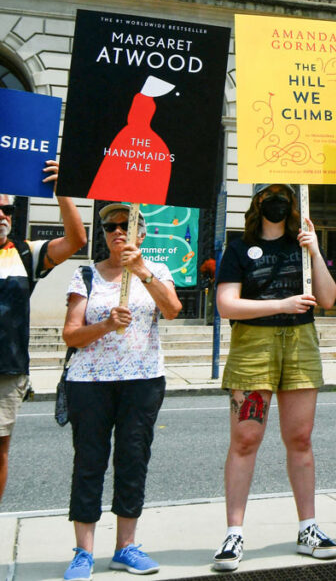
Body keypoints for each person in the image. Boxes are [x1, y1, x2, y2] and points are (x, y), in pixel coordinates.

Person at [213, 184, 336, 571]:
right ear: (257, 203)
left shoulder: (302, 245)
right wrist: (280, 304)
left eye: (284, 196)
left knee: (300, 438)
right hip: (254, 346)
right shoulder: (238, 249)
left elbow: (330, 298)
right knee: (246, 439)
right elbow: (225, 304)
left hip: (300, 342)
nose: (277, 202)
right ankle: (234, 532)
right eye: (269, 196)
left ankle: (308, 527)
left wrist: (315, 249)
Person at [61, 204, 181, 579]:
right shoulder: (85, 275)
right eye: (111, 226)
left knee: (133, 458)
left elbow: (173, 309)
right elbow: (70, 334)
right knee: (90, 461)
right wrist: (106, 325)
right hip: (90, 383)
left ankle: (126, 546)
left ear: (141, 236)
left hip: (142, 379)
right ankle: (84, 552)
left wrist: (142, 272)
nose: (118, 232)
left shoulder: (157, 271)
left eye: (126, 227)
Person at [0, 161, 87, 505]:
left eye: (8, 209)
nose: (4, 215)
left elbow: (77, 239)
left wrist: (61, 190)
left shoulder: (24, 253)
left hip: (6, 371)